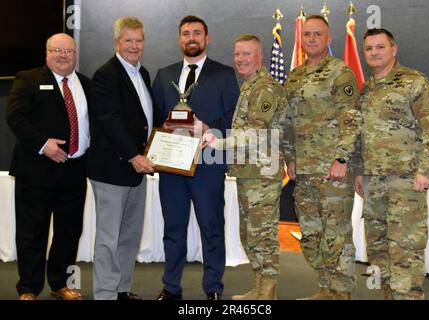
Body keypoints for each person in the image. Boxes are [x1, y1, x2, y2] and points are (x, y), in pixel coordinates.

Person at [352, 28, 429, 300]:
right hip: (374, 184)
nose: (374, 53)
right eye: (369, 48)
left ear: (393, 49)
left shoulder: (413, 82)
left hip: (406, 183)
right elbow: (362, 134)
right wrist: (359, 170)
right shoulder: (367, 89)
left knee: (405, 250)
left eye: (380, 47)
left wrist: (426, 171)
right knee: (379, 250)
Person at [152, 15, 239, 300]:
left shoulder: (224, 74)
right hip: (172, 166)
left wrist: (207, 130)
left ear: (207, 38)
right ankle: (171, 288)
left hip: (209, 164)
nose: (191, 38)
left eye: (197, 33)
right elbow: (154, 118)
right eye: (186, 33)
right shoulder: (164, 75)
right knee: (173, 229)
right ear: (179, 39)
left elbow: (233, 118)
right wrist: (161, 132)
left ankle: (213, 288)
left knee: (211, 227)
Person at [202, 34, 294, 300]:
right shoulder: (249, 86)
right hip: (248, 174)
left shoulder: (265, 88)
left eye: (247, 54)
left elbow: (255, 133)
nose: (240, 60)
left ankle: (267, 293)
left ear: (260, 56)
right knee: (251, 234)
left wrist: (217, 143)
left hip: (262, 177)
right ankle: (259, 287)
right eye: (237, 54)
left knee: (262, 236)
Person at [6, 33, 90, 300]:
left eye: (69, 51)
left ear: (76, 54)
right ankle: (28, 288)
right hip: (37, 171)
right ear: (46, 53)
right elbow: (15, 117)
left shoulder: (86, 84)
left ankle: (59, 284)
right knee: (32, 231)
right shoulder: (28, 79)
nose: (63, 55)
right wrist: (44, 144)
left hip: (75, 170)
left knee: (69, 231)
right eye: (57, 50)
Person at [284, 15, 360, 300]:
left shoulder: (340, 73)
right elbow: (288, 122)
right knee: (312, 234)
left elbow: (351, 118)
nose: (312, 39)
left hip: (332, 171)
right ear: (301, 39)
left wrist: (342, 159)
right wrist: (290, 157)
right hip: (303, 171)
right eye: (307, 35)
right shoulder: (295, 76)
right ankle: (326, 287)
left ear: (329, 39)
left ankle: (342, 292)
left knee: (336, 234)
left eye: (318, 34)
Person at [88, 16, 156, 300]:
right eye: (128, 40)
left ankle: (121, 290)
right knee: (108, 238)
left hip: (137, 170)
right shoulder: (106, 75)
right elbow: (109, 120)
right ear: (117, 42)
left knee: (129, 236)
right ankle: (105, 294)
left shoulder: (142, 73)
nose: (134, 46)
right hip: (113, 169)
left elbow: (144, 120)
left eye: (139, 40)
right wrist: (132, 155)